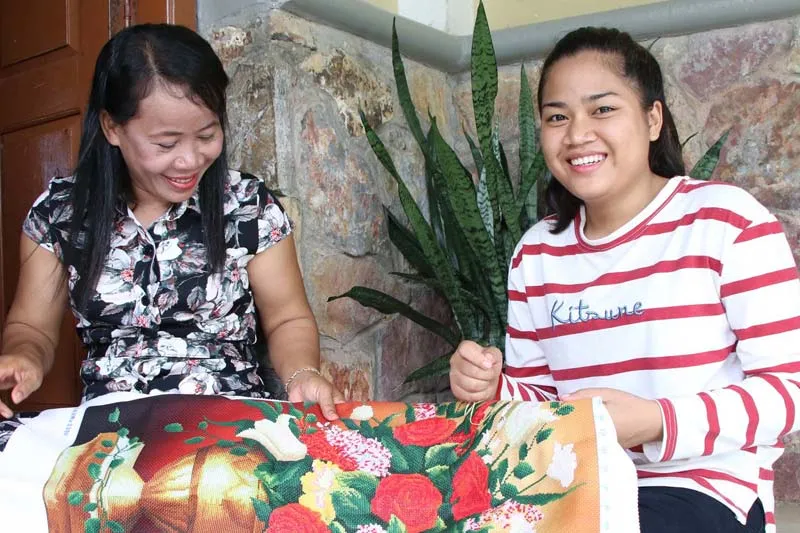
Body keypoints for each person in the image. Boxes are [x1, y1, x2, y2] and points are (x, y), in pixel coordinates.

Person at [450, 26, 799, 533]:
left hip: (703, 487)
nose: (577, 134)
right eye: (557, 117)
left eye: (603, 109)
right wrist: (488, 387)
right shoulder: (537, 253)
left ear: (653, 119)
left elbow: (788, 390)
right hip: (574, 481)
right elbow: (540, 405)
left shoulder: (726, 223)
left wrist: (656, 421)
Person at [0, 24, 344, 421]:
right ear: (112, 128)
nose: (190, 160)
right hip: (112, 427)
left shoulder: (247, 205)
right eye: (166, 143)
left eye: (207, 135)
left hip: (229, 422)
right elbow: (32, 327)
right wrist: (23, 355)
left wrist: (302, 373)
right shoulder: (61, 213)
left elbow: (288, 318)